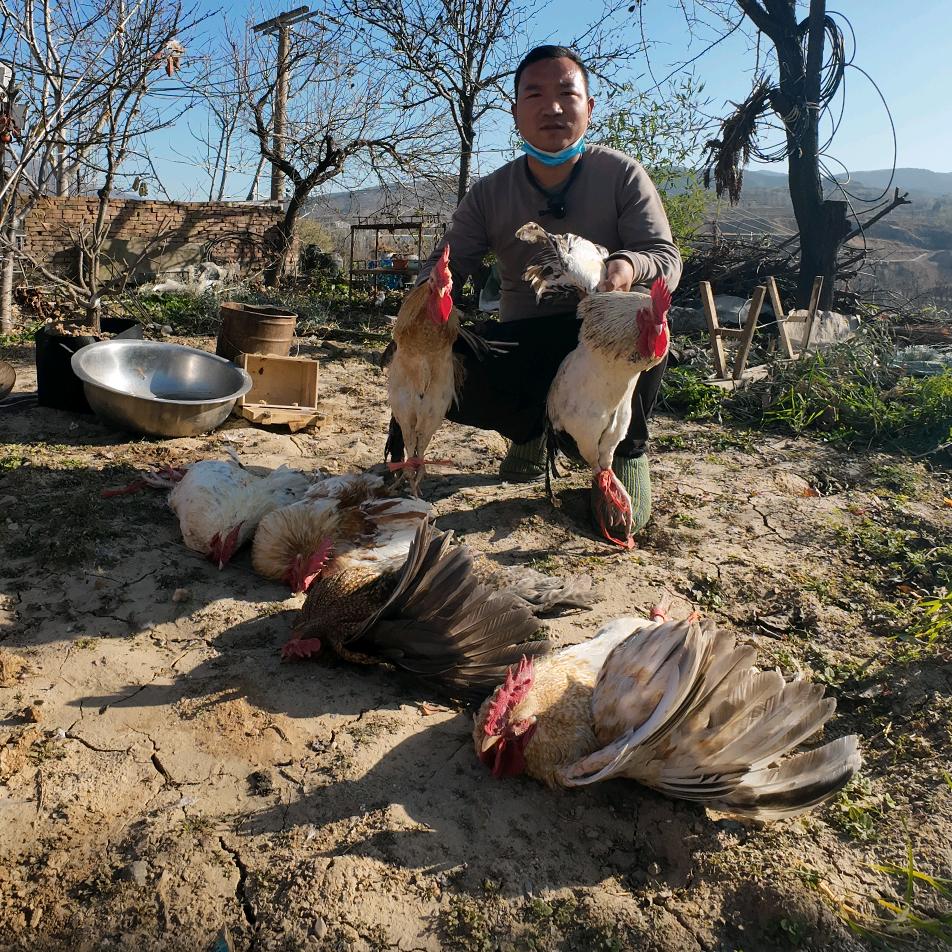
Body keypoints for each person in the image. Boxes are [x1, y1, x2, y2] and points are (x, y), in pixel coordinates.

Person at [416, 44, 682, 533]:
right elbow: (450, 259)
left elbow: (665, 258)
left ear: (589, 107)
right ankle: (529, 433)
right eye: (534, 94)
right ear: (515, 111)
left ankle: (625, 453)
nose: (553, 107)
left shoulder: (622, 174)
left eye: (567, 93)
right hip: (526, 338)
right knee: (445, 355)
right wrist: (432, 286)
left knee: (652, 327)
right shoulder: (490, 192)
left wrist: (627, 264)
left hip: (599, 341)